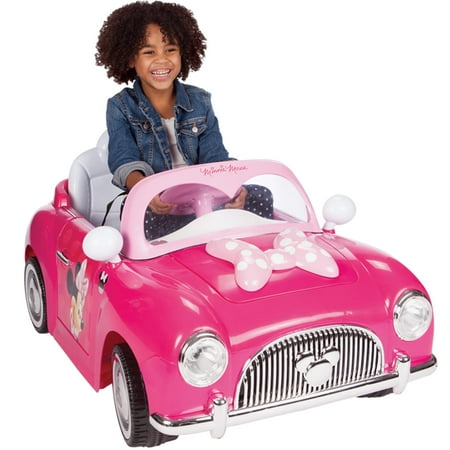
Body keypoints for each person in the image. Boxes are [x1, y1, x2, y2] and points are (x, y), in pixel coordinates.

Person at [95, 1, 272, 239]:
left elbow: (215, 156)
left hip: (204, 195)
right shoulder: (121, 106)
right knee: (137, 211)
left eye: (170, 49)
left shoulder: (200, 101)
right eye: (149, 52)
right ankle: (166, 256)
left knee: (261, 194)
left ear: (183, 52)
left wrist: (233, 186)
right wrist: (146, 191)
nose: (162, 60)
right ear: (130, 59)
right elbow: (124, 160)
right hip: (161, 201)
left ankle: (252, 244)